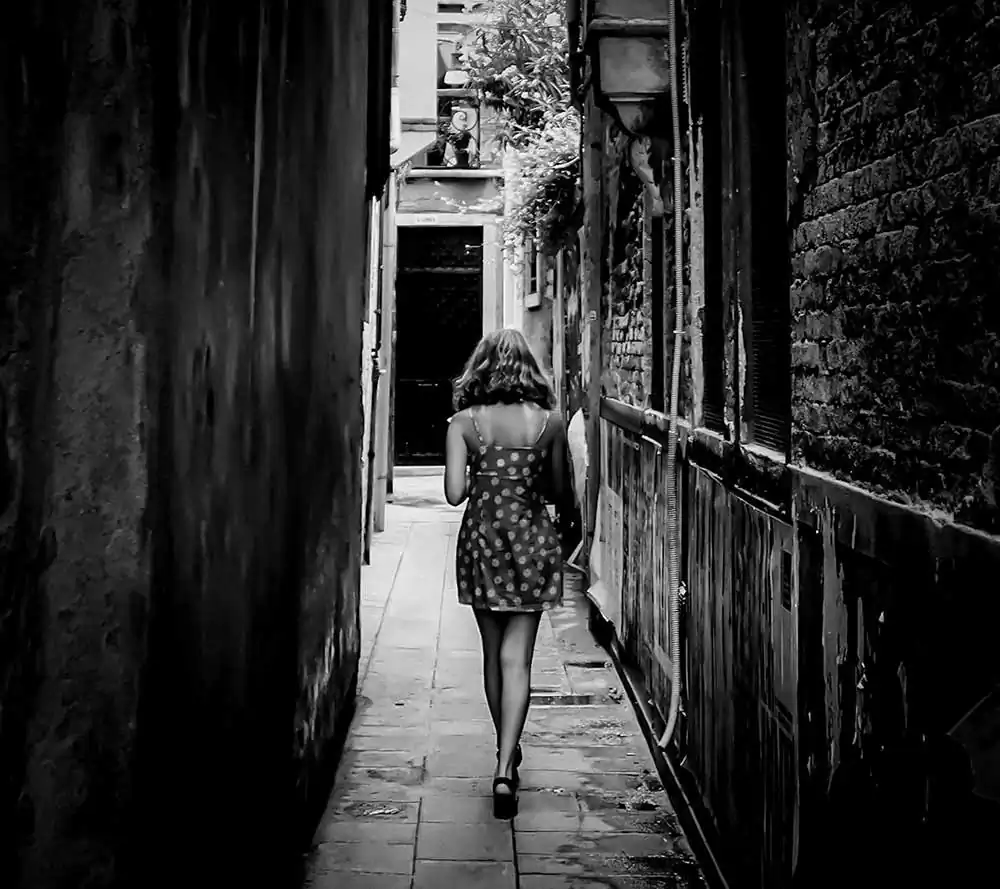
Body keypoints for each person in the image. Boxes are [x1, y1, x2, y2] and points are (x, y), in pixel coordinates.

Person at [444, 328, 572, 819]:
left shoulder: (464, 423)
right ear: (528, 369)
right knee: (517, 660)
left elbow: (454, 494)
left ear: (479, 368)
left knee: (493, 656)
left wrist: (481, 474)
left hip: (483, 543)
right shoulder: (550, 422)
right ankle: (504, 767)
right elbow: (558, 491)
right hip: (532, 543)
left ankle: (504, 753)